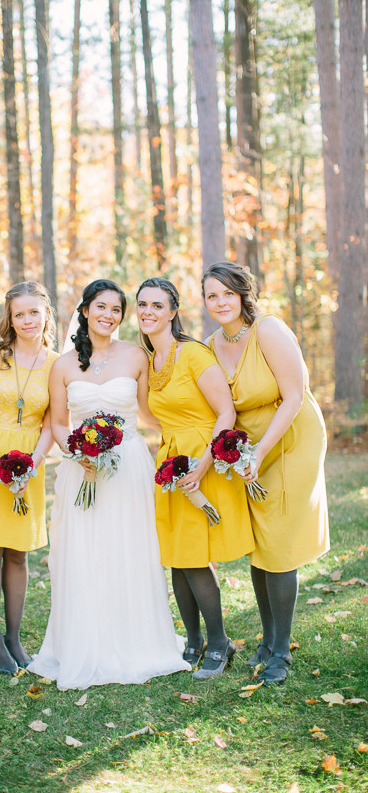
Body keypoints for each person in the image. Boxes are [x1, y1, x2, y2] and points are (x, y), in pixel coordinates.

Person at [28, 279, 189, 690]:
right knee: (83, 551)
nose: (109, 315)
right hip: (79, 468)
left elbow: (152, 412)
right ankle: (85, 642)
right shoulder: (62, 365)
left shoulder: (137, 356)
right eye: (101, 307)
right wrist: (79, 453)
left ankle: (138, 640)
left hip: (130, 465)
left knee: (129, 547)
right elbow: (59, 423)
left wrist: (190, 426)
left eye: (117, 310)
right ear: (85, 311)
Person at [202, 260, 329, 685]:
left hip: (291, 436)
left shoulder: (269, 330)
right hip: (248, 446)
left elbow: (294, 395)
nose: (219, 302)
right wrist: (235, 453)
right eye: (211, 295)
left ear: (242, 294)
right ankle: (267, 639)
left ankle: (280, 650)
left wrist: (259, 451)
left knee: (278, 540)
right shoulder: (211, 345)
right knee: (261, 541)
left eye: (226, 293)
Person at [136, 278, 254, 680]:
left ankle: (220, 642)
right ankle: (193, 640)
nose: (148, 312)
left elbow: (225, 413)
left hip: (202, 459)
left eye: (157, 305)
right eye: (142, 305)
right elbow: (151, 416)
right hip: (170, 459)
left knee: (192, 554)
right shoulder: (149, 361)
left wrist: (202, 463)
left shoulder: (193, 354)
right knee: (175, 554)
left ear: (173, 311)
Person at [0, 282, 58, 675]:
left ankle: (16, 638)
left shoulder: (57, 363)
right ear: (10, 318)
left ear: (46, 314)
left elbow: (54, 421)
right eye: (19, 314)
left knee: (18, 554)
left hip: (30, 464)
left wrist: (34, 461)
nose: (27, 320)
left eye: (34, 312)